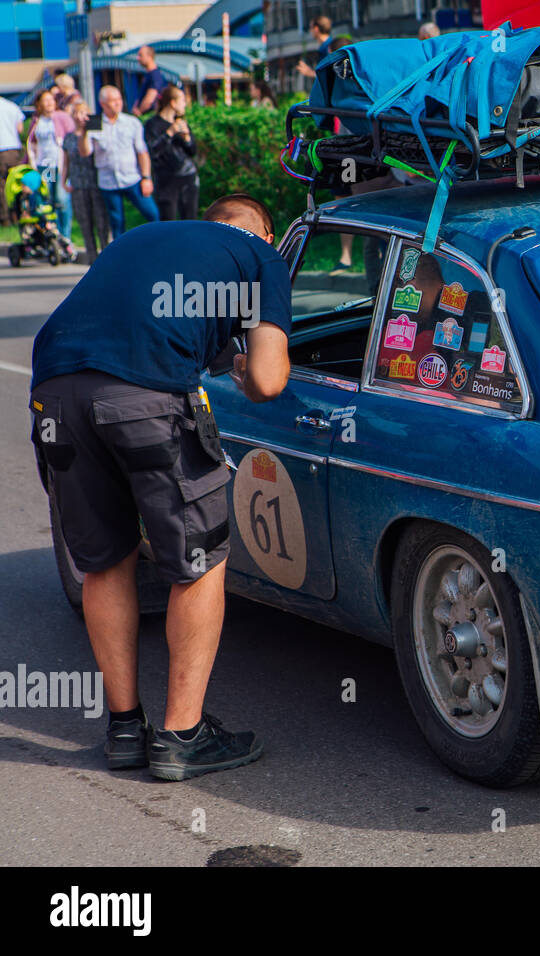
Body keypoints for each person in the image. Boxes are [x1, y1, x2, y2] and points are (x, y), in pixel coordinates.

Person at [28, 194, 292, 780]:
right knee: (199, 561)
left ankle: (125, 730)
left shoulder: (147, 239)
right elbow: (269, 381)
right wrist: (255, 365)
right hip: (143, 395)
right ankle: (182, 736)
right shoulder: (260, 257)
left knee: (105, 560)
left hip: (55, 391)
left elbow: (155, 324)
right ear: (265, 234)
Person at [79, 85, 160, 240]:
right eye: (112, 101)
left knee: (152, 213)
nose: (117, 103)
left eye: (119, 99)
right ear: (103, 104)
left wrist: (146, 177)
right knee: (117, 222)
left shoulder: (132, 122)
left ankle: (158, 242)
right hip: (108, 181)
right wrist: (83, 132)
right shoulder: (95, 122)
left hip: (132, 177)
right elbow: (85, 152)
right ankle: (121, 255)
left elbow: (142, 152)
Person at [62, 102, 110, 264]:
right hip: (78, 184)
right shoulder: (69, 137)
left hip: (97, 183)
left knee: (102, 222)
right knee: (85, 224)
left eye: (83, 112)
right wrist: (64, 181)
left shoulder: (96, 133)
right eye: (76, 112)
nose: (80, 116)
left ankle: (106, 257)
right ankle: (92, 260)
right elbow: (66, 162)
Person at [26, 90, 76, 242]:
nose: (49, 103)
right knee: (47, 200)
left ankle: (65, 235)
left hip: (60, 164)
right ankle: (51, 233)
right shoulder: (37, 121)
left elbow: (72, 137)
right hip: (45, 165)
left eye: (51, 100)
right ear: (39, 104)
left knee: (61, 199)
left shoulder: (61, 117)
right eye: (45, 100)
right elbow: (31, 144)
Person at [145, 86, 199, 221]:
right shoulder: (152, 124)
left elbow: (192, 151)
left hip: (187, 176)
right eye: (182, 100)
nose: (185, 104)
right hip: (166, 181)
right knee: (168, 222)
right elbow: (153, 150)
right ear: (173, 103)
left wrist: (186, 137)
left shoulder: (181, 122)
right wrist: (169, 133)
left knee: (190, 221)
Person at [0, 94, 24, 229]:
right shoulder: (12, 106)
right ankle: (19, 214)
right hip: (14, 149)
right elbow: (20, 129)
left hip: (1, 148)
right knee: (16, 182)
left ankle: (5, 219)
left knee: (2, 185)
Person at [133, 47, 168, 116]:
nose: (138, 58)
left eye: (140, 55)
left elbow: (150, 99)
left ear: (149, 56)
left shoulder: (155, 75)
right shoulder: (148, 74)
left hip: (149, 115)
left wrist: (139, 111)